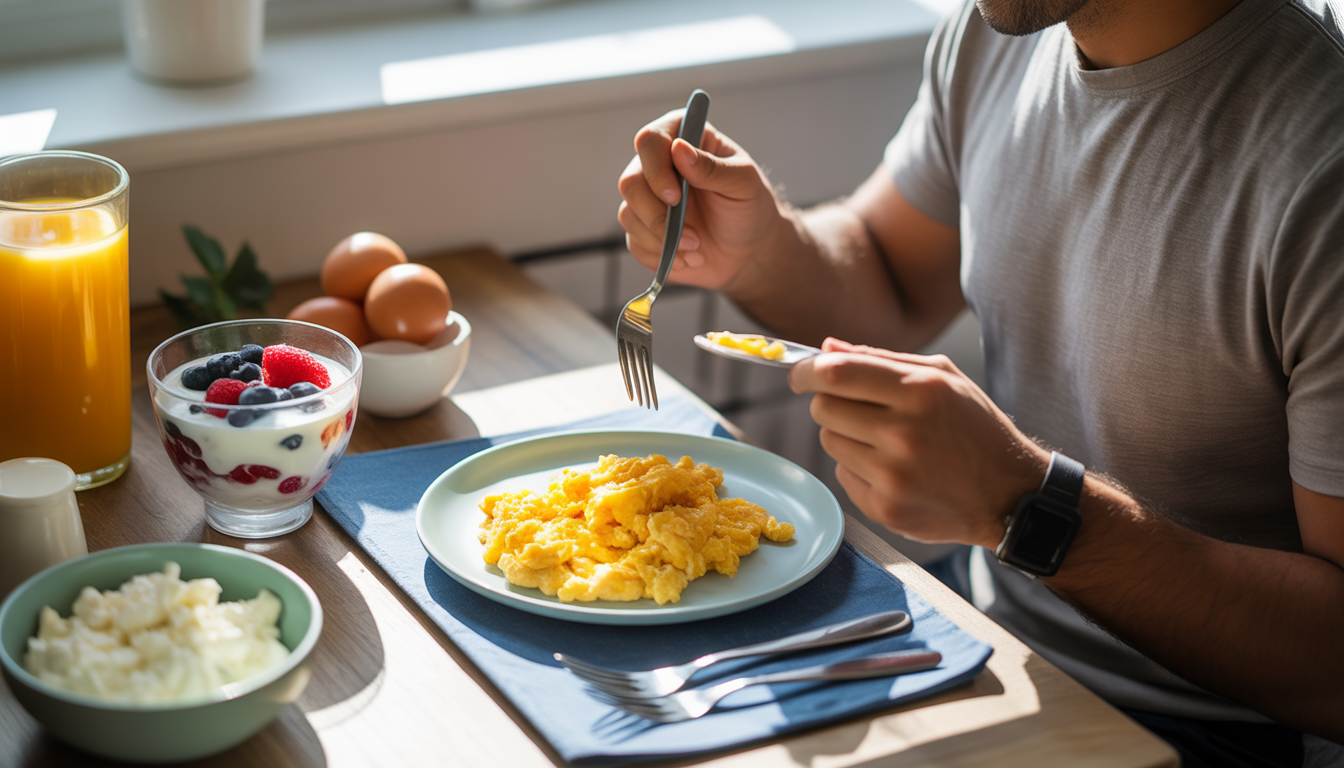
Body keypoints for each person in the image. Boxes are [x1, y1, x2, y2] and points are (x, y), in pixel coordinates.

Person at [615, 0, 1344, 765]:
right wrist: (761, 250)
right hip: (982, 630)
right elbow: (889, 277)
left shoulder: (1320, 155)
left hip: (1216, 731)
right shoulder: (999, 35)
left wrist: (1025, 505)